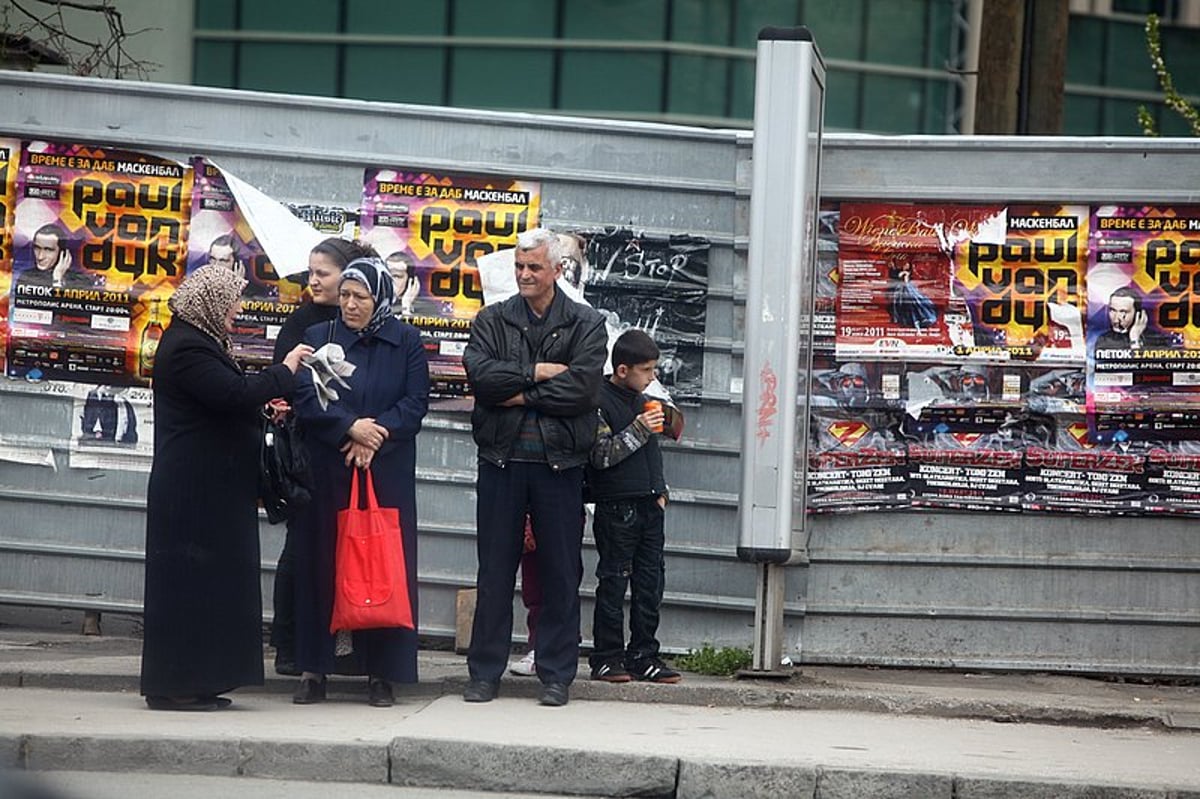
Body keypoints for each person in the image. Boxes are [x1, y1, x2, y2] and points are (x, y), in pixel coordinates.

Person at [140, 265, 312, 711]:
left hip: (213, 489)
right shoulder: (186, 348)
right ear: (211, 301)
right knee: (189, 587)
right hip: (192, 491)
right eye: (233, 300)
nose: (237, 310)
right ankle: (176, 685)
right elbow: (232, 394)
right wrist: (285, 370)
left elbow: (224, 403)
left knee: (213, 588)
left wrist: (262, 411)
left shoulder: (201, 340)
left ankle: (202, 680)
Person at [461, 227, 607, 708]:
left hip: (560, 465)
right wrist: (537, 373)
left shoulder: (586, 323)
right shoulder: (492, 320)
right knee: (494, 572)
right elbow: (481, 379)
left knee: (562, 571)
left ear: (556, 270)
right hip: (501, 462)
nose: (524, 275)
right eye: (519, 267)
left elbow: (583, 391)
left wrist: (516, 392)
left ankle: (556, 674)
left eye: (534, 268)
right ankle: (484, 672)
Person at [291, 254, 430, 708]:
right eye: (345, 295)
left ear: (380, 297)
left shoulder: (406, 340)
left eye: (360, 297)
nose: (350, 305)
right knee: (322, 564)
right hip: (329, 466)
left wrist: (376, 435)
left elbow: (415, 402)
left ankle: (381, 673)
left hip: (383, 469)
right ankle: (314, 669)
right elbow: (307, 400)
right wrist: (350, 429)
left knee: (382, 567)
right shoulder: (319, 337)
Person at [268, 237, 369, 676]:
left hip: (357, 455)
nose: (313, 281)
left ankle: (345, 647)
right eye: (310, 272)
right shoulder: (304, 323)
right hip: (310, 451)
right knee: (300, 549)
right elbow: (286, 380)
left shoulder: (367, 323)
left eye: (322, 273)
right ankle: (289, 644)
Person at [586, 329, 680, 684]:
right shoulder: (598, 400)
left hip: (649, 503)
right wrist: (640, 429)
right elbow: (600, 456)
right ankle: (607, 657)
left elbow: (654, 452)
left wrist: (662, 491)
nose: (653, 376)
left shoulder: (645, 399)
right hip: (616, 507)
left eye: (654, 369)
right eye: (647, 369)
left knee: (650, 583)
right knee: (613, 581)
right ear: (623, 369)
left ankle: (644, 655)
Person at [1094, 286, 1170, 351]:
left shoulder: (1156, 340)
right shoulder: (1104, 340)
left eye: (1123, 312)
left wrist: (1134, 339)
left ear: (1138, 313)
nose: (1116, 319)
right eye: (1113, 310)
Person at [18, 224, 90, 289]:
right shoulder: (26, 278)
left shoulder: (80, 281)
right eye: (37, 248)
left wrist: (58, 279)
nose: (40, 257)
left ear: (62, 253)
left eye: (48, 250)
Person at [385, 251, 421, 316]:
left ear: (410, 281)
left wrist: (406, 306)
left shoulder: (426, 308)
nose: (389, 280)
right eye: (386, 274)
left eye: (396, 276)